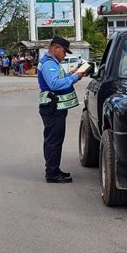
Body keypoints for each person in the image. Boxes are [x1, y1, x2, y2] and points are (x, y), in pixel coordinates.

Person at [38, 37, 86, 183]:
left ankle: (54, 169)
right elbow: (54, 84)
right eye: (64, 52)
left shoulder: (52, 63)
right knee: (54, 141)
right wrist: (74, 78)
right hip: (52, 108)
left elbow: (59, 78)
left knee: (55, 139)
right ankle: (52, 173)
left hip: (55, 108)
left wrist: (73, 74)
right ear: (56, 48)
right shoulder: (48, 64)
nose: (65, 55)